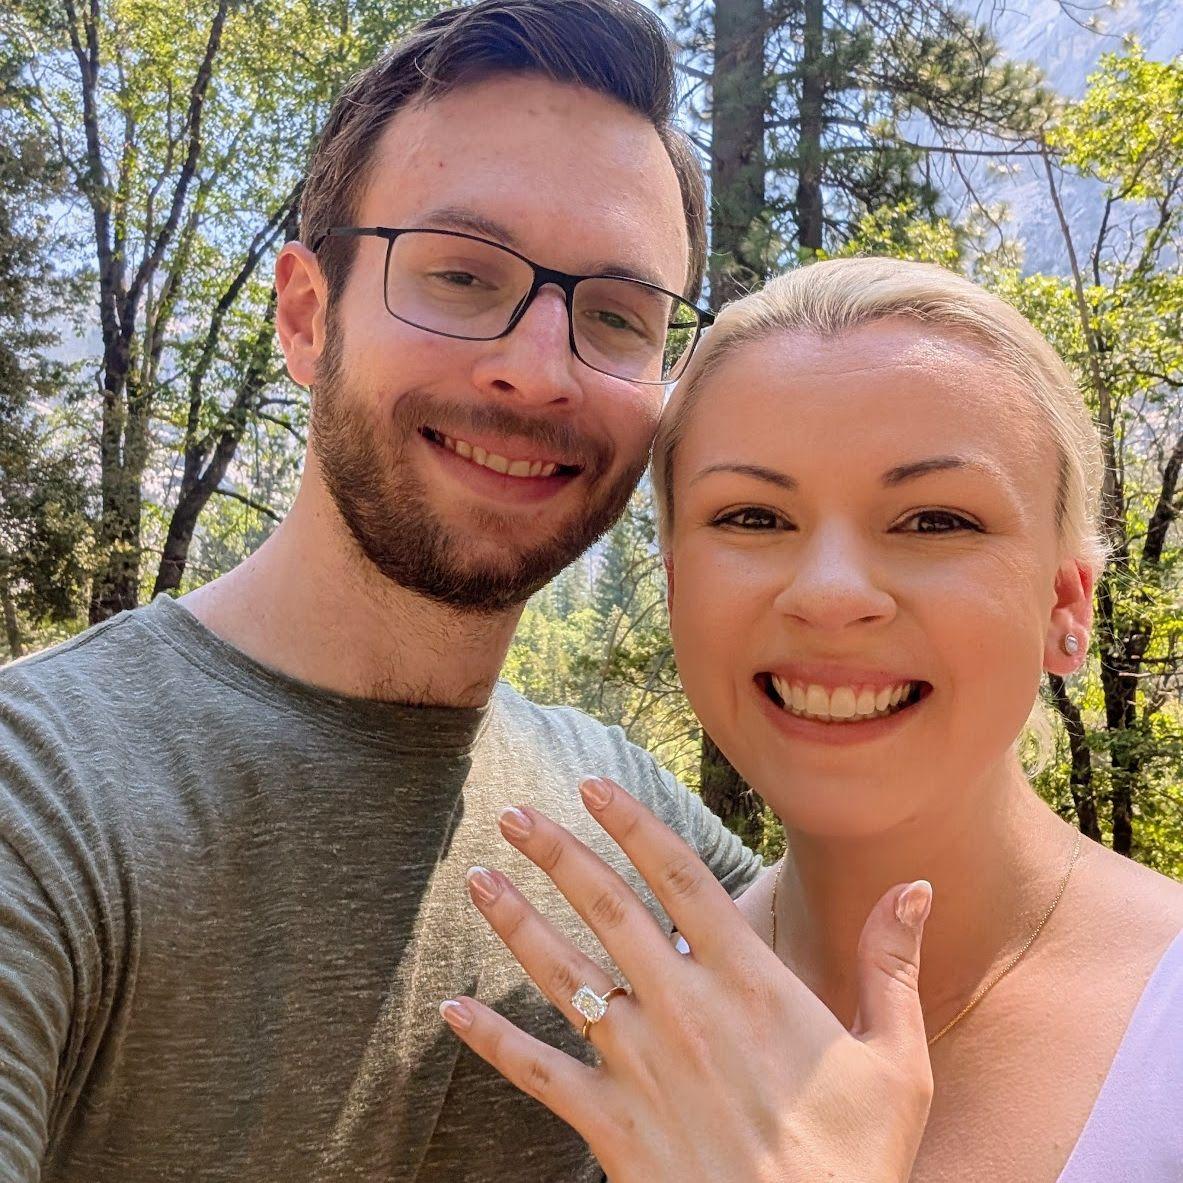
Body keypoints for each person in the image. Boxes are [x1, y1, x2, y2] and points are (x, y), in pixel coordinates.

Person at [0, 5, 935, 1181]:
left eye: (614, 315)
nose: (537, 369)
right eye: (458, 274)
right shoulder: (37, 798)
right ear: (305, 315)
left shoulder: (626, 825)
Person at [443, 258, 1183, 1182]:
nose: (830, 594)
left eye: (933, 520)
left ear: (1066, 605)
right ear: (675, 589)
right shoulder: (628, 1033)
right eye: (752, 516)